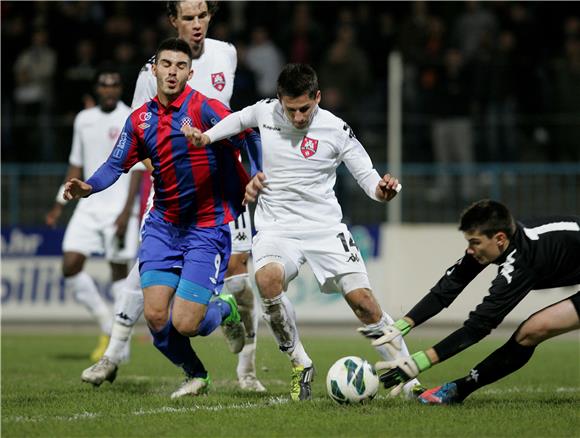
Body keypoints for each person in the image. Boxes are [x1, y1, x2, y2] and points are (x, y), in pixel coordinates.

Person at [184, 63, 423, 401]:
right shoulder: (265, 112)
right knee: (266, 280)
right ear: (279, 100)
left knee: (365, 304)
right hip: (276, 227)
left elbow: (369, 179)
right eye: (290, 109)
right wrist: (206, 137)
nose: (297, 117)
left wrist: (384, 190)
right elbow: (238, 119)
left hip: (325, 228)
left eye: (305, 109)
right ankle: (300, 363)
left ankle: (409, 381)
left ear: (318, 97)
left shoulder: (337, 130)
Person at [82, 0, 266, 393]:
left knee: (229, 281)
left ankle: (242, 358)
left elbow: (239, 125)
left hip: (217, 197)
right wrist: (169, 170)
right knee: (152, 303)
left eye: (203, 16)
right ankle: (120, 355)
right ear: (172, 22)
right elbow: (135, 145)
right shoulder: (148, 80)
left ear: (190, 71)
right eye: (189, 17)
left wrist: (250, 174)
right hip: (168, 201)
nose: (197, 24)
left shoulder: (225, 56)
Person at [366, 199, 580, 403]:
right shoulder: (496, 246)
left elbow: (479, 326)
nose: (470, 250)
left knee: (532, 330)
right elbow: (449, 287)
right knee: (532, 331)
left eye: (475, 242)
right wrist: (405, 324)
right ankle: (459, 390)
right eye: (469, 242)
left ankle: (458, 390)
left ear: (499, 238)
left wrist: (420, 362)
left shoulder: (523, 260)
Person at [45, 65, 142, 362]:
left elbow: (137, 169)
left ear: (119, 89)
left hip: (118, 208)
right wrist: (59, 204)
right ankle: (106, 325)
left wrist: (127, 212)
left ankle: (120, 346)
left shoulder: (130, 116)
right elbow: (76, 164)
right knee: (70, 265)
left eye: (114, 84)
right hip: (89, 205)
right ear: (97, 88)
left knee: (117, 272)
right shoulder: (83, 119)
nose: (110, 89)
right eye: (104, 84)